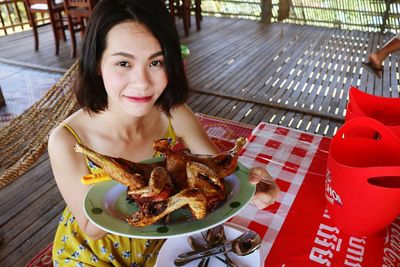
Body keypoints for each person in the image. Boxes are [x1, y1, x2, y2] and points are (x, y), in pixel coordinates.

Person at [48, 0, 280, 266]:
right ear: (96, 63)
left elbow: (218, 179)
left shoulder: (173, 113)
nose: (142, 82)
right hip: (95, 254)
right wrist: (128, 179)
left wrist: (252, 186)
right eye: (124, 63)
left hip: (167, 240)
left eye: (156, 62)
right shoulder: (67, 140)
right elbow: (92, 228)